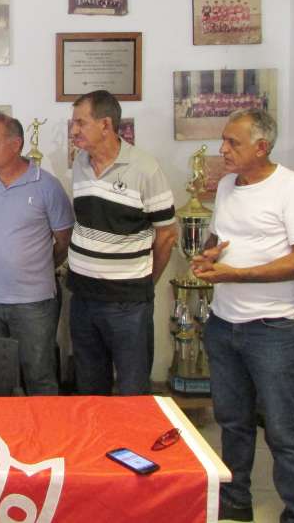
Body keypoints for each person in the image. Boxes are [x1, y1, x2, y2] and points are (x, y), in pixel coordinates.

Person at [191, 109, 294, 523]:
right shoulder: (228, 185)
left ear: (262, 147)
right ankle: (237, 501)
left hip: (273, 329)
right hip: (224, 323)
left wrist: (236, 275)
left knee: (283, 431)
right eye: (223, 141)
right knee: (233, 421)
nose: (222, 150)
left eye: (233, 143)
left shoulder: (292, 188)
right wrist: (211, 254)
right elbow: (222, 236)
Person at [67, 90, 177, 395]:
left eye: (80, 122)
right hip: (83, 298)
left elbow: (167, 234)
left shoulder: (145, 168)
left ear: (105, 124)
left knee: (132, 391)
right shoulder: (79, 163)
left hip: (127, 304)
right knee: (89, 389)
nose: (73, 130)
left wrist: (144, 281)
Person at [0, 113, 74, 395]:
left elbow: (64, 239)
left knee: (39, 376)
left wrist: (36, 268)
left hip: (34, 303)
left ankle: (44, 438)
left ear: (15, 145)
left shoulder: (47, 185)